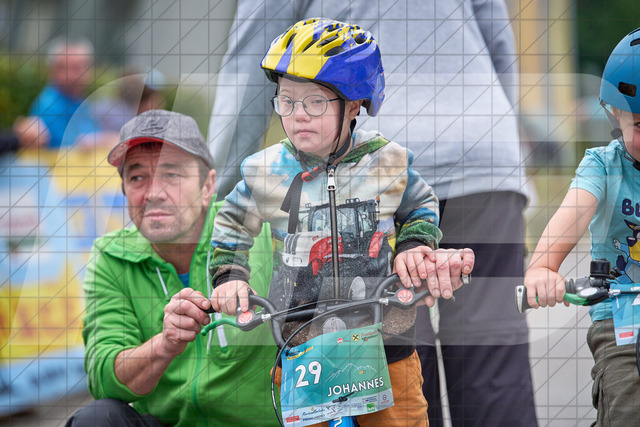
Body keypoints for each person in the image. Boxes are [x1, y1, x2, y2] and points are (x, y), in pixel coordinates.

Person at [208, 2, 537, 425]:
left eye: (315, 102)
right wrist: (230, 277)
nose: (298, 115)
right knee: (488, 352)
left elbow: (420, 203)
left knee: (418, 370)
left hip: (384, 336)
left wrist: (414, 244)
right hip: (304, 341)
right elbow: (232, 222)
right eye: (286, 102)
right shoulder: (266, 172)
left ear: (354, 106)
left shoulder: (386, 161)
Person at [66, 110, 279, 426]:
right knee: (97, 418)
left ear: (207, 186)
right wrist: (165, 345)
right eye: (137, 177)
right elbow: (103, 379)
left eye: (171, 174)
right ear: (124, 189)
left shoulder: (260, 229)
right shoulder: (112, 256)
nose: (153, 193)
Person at [524, 28, 640, 427]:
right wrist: (543, 267)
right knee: (629, 407)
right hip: (623, 317)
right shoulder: (603, 166)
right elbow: (573, 213)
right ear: (616, 115)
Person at [29, 36, 119, 149]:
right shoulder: (49, 106)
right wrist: (103, 140)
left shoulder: (79, 101)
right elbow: (69, 148)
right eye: (73, 68)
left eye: (84, 67)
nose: (81, 74)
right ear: (54, 70)